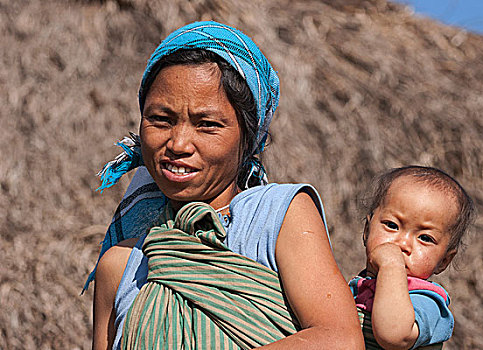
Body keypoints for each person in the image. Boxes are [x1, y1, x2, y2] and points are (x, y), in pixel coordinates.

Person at [90, 21, 364, 349]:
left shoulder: (277, 218)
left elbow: (340, 339)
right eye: (161, 120)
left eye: (207, 124)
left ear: (247, 139)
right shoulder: (119, 267)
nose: (178, 143)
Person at [348, 166, 475, 349]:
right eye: (392, 225)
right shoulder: (359, 286)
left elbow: (393, 335)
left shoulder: (426, 301)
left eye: (425, 238)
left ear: (444, 261)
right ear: (367, 230)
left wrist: (392, 265)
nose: (403, 244)